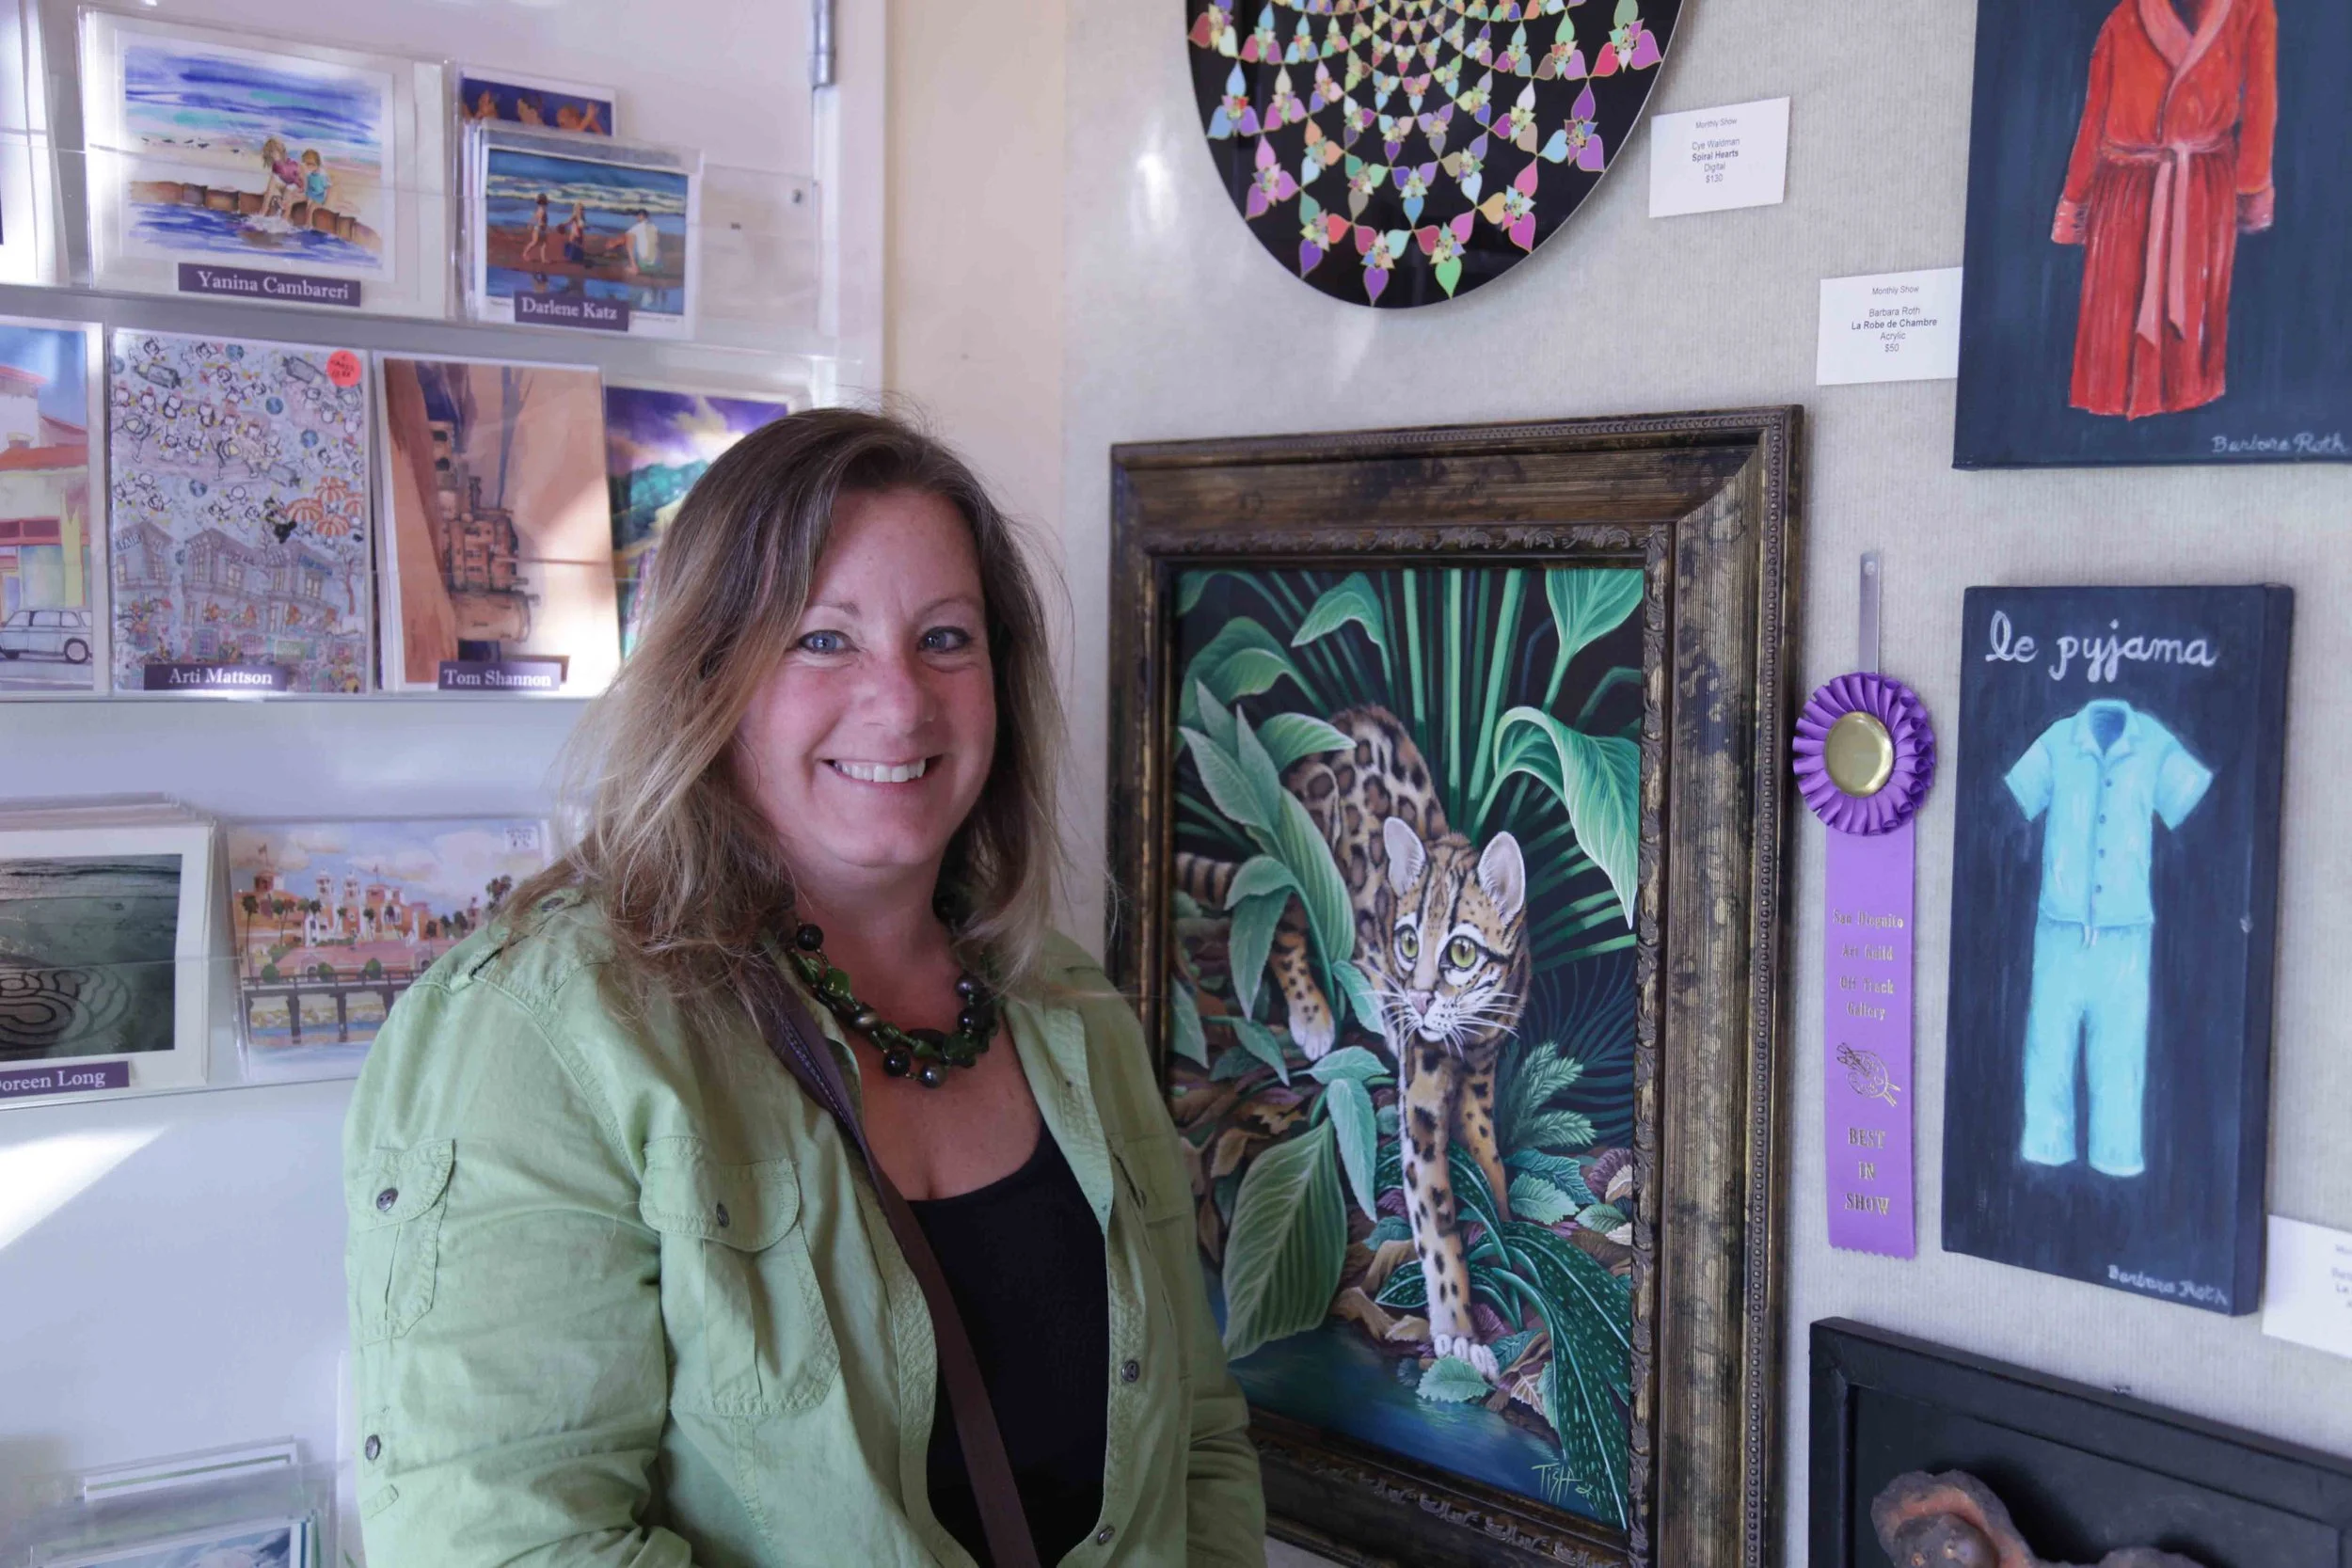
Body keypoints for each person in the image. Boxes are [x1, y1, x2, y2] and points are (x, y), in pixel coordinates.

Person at [342, 408, 1266, 1567]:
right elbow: (506, 1545)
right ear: (706, 672)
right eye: (823, 640)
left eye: (945, 639)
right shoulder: (543, 1033)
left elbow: (1200, 1447)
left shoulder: (1065, 1005)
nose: (901, 702)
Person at [522, 191, 550, 262]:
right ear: (544, 201)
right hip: (539, 229)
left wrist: (530, 223)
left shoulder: (541, 209)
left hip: (542, 229)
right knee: (534, 242)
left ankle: (543, 259)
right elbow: (539, 219)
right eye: (546, 200)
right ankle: (525, 254)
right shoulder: (542, 210)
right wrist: (531, 224)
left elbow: (535, 217)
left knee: (544, 244)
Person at [299, 149, 331, 213]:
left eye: (309, 164)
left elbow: (328, 188)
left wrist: (326, 200)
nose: (307, 166)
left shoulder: (322, 175)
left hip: (318, 198)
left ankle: (308, 223)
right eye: (306, 164)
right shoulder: (309, 174)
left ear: (316, 164)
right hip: (309, 195)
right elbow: (306, 185)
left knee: (310, 209)